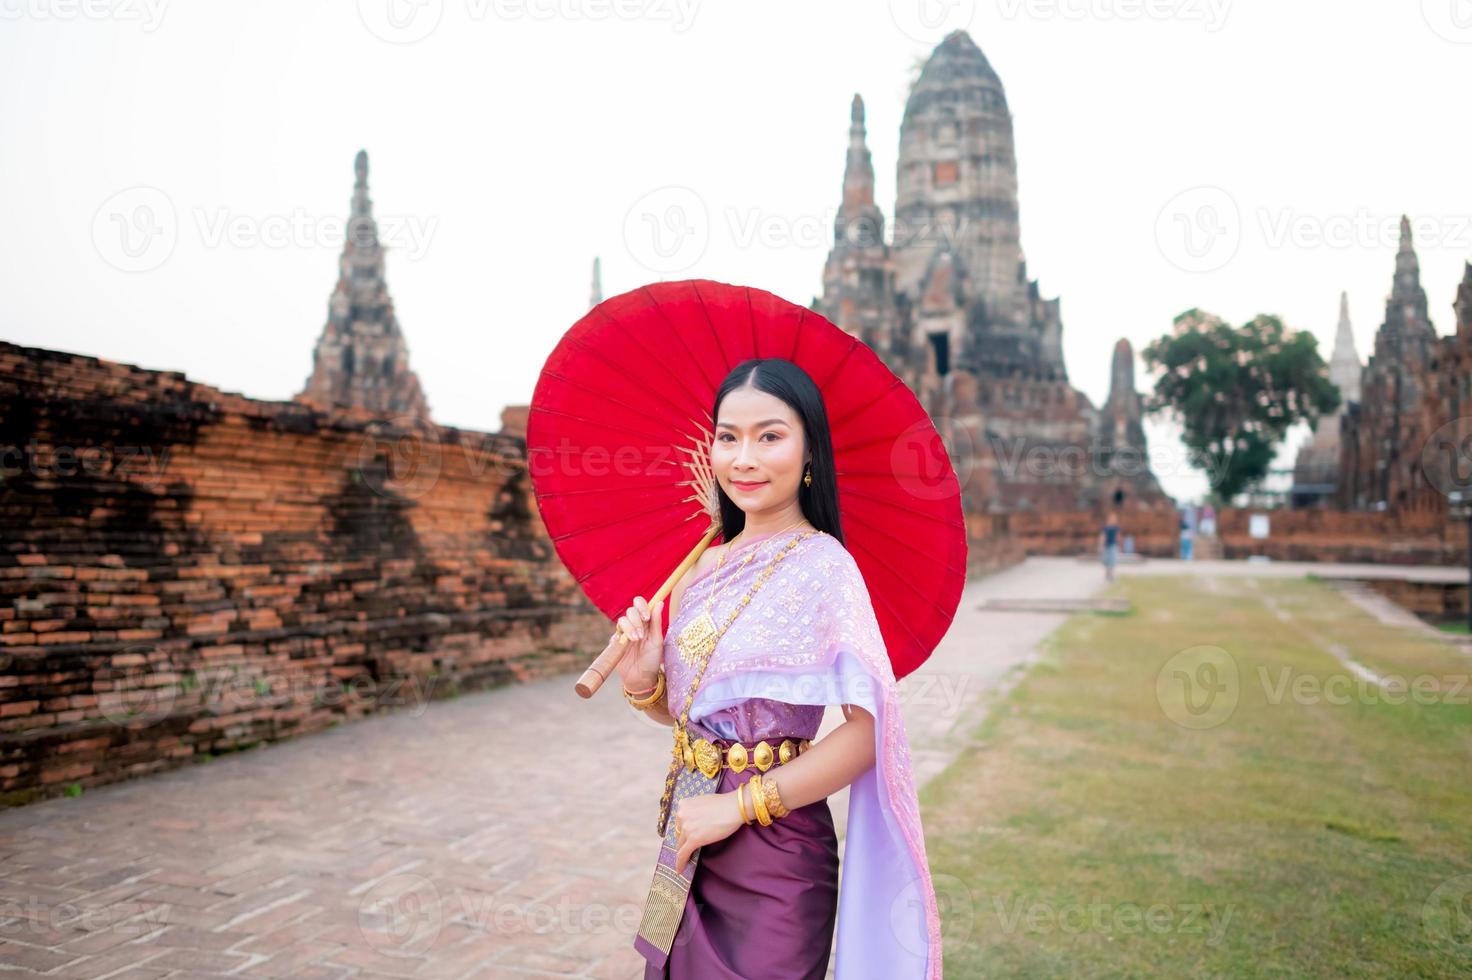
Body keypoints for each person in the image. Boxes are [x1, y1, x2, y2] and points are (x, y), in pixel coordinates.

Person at [600, 357, 942, 979]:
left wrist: (738, 808)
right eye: (727, 437)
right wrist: (642, 681)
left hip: (776, 851)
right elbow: (691, 715)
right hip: (687, 832)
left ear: (810, 452)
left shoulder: (823, 567)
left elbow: (869, 733)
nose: (744, 457)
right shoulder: (701, 567)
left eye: (770, 436)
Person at [1098, 509, 1120, 582]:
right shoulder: (1106, 528)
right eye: (1112, 519)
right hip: (1106, 546)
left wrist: (1119, 544)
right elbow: (1103, 536)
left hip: (1113, 546)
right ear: (1109, 519)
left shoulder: (1116, 528)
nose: (1114, 520)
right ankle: (1107, 573)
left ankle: (1111, 575)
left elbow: (1118, 536)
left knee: (1112, 561)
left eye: (1115, 519)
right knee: (1106, 561)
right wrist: (1101, 546)